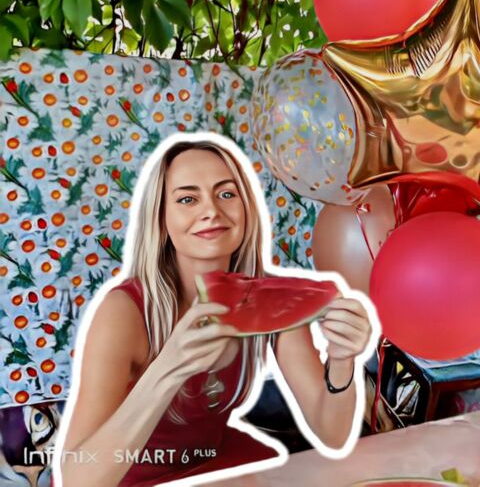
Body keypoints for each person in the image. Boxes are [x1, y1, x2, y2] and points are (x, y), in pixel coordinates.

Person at [53, 134, 375, 487]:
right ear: (161, 219)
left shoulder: (272, 299)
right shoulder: (123, 312)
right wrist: (168, 369)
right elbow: (77, 479)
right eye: (187, 199)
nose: (211, 211)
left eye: (226, 194)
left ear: (246, 207)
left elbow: (333, 435)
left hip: (210, 464)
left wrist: (342, 359)